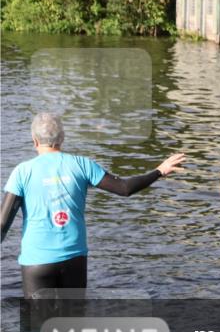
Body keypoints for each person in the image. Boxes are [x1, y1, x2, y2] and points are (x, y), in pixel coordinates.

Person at [1, 112, 185, 298]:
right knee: (74, 316)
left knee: (38, 317)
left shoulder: (22, 172)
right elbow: (124, 188)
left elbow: (2, 223)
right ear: (62, 138)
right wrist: (159, 171)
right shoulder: (82, 165)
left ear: (34, 140)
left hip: (37, 263)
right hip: (74, 259)